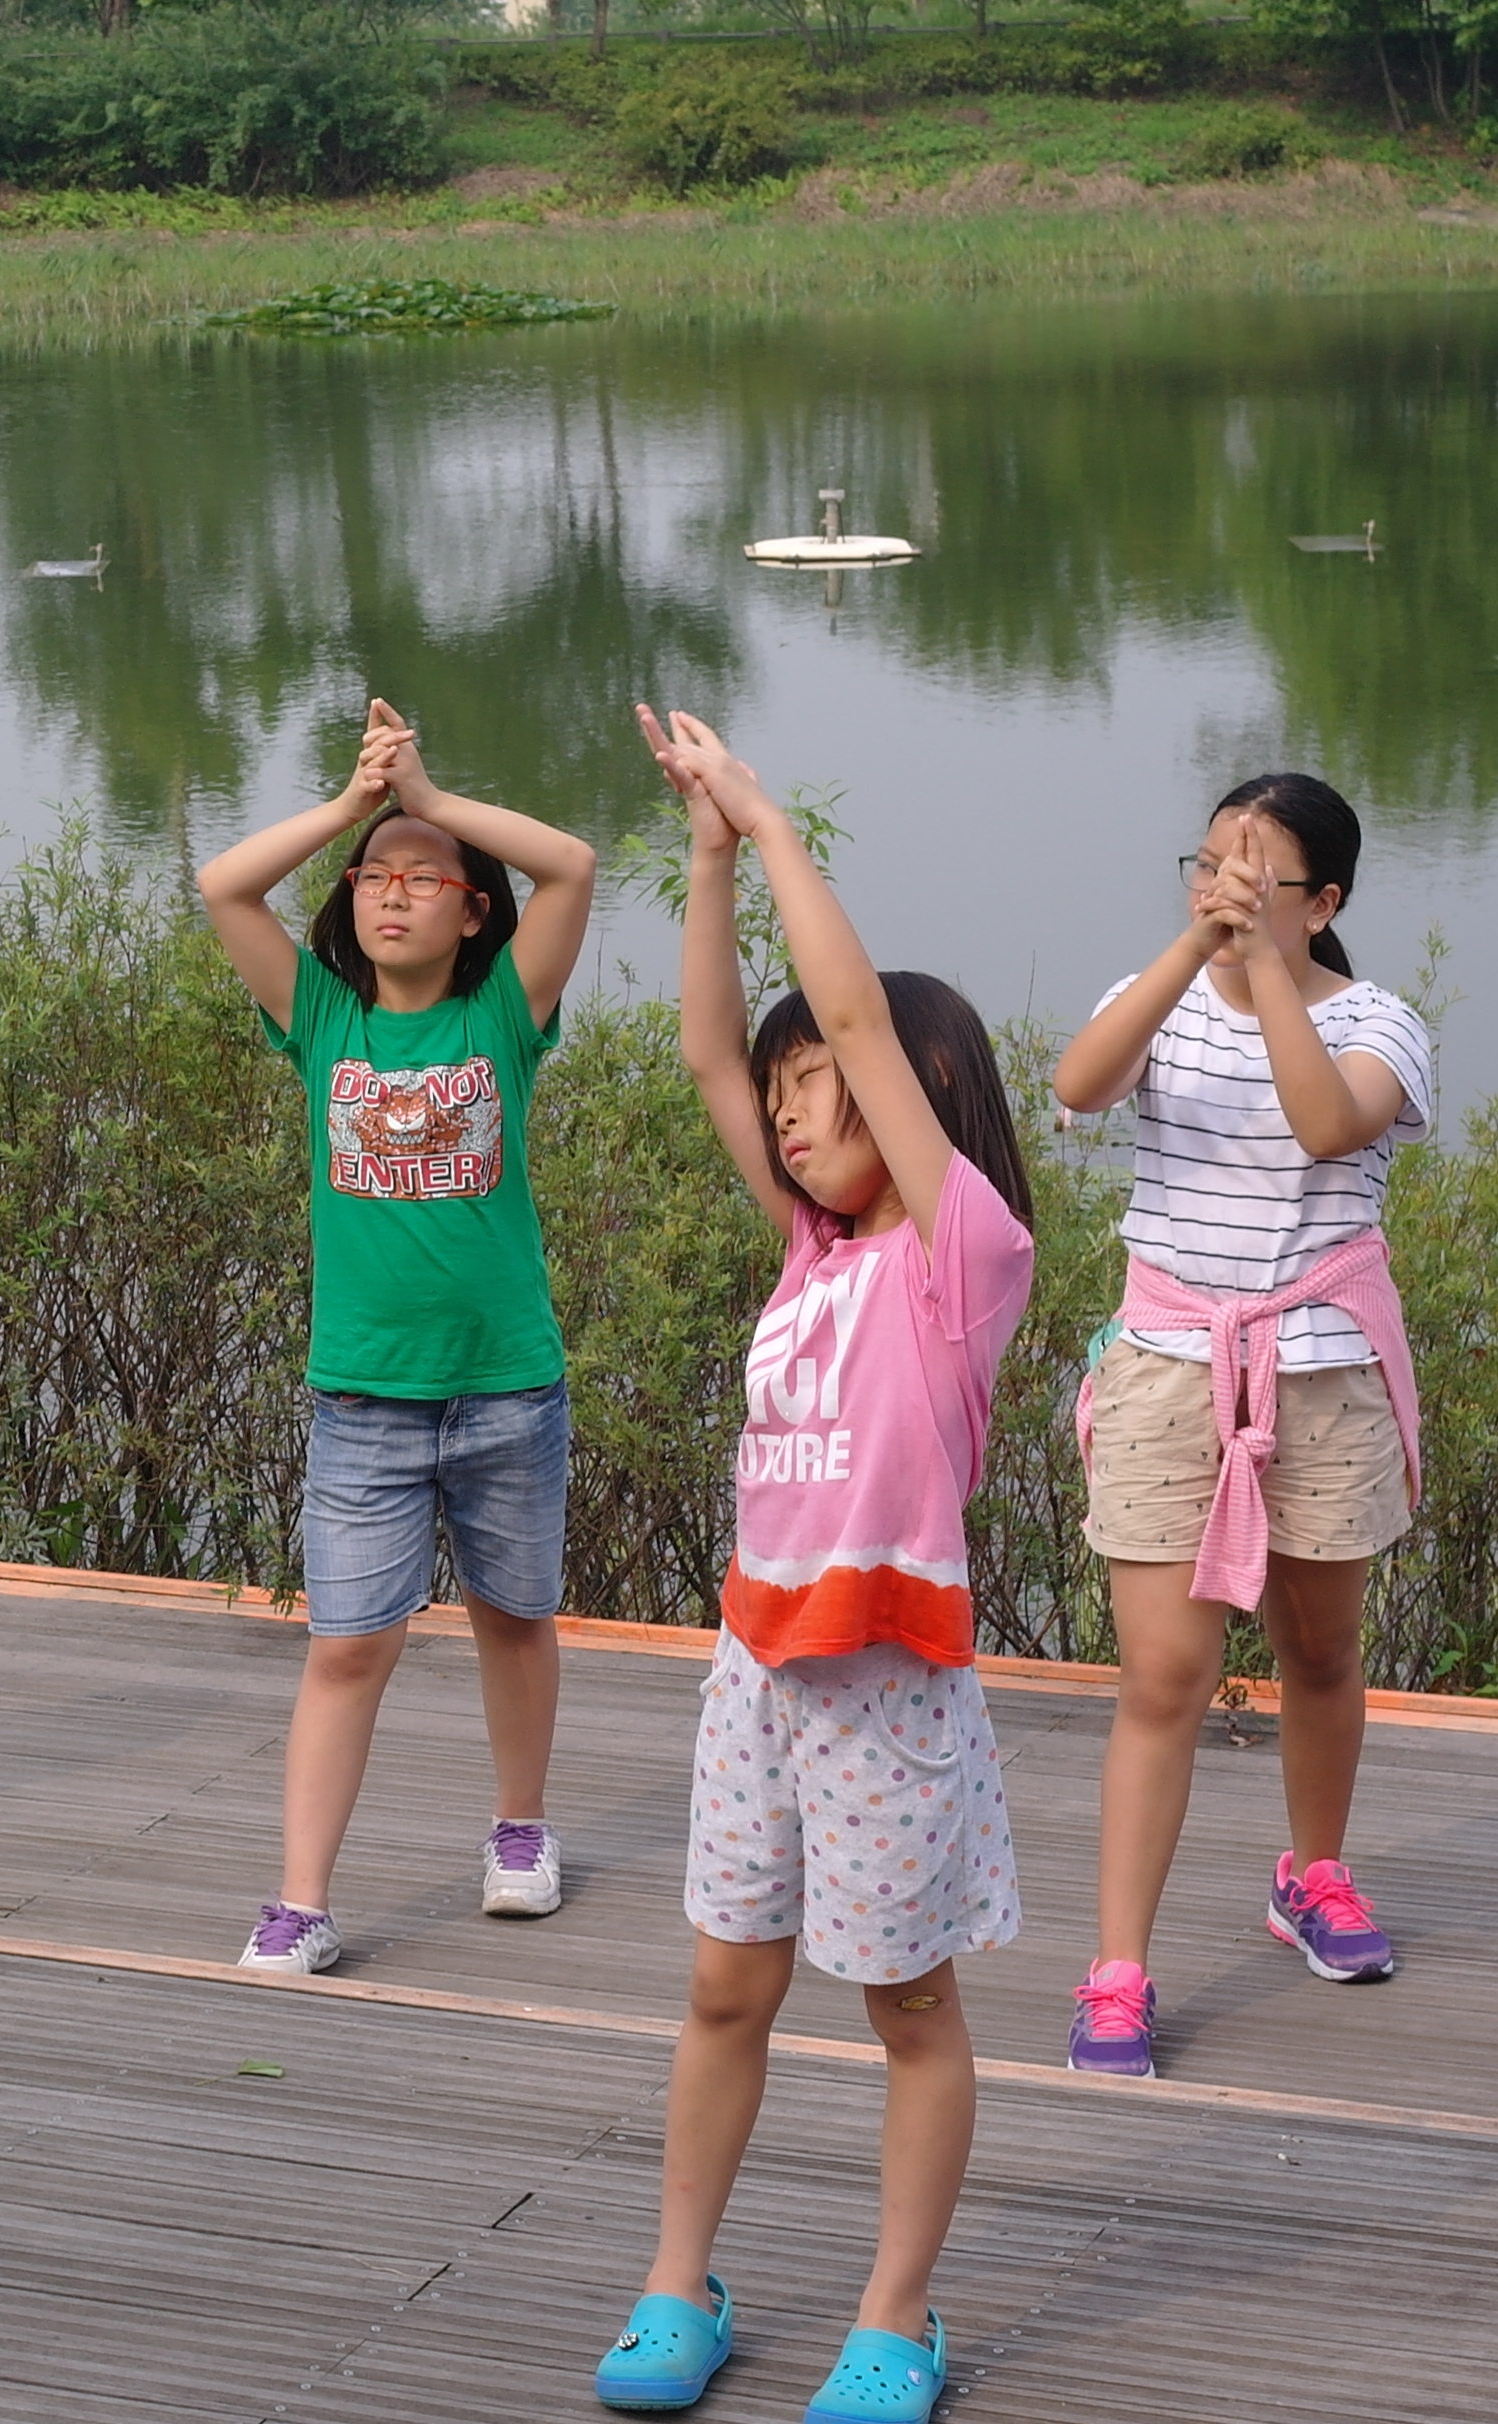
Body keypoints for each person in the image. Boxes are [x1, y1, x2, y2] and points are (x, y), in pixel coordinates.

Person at [594, 712, 1030, 2424]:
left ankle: (895, 2315)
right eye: (781, 1101)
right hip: (756, 1670)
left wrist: (770, 823)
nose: (784, 1110)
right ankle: (674, 2278)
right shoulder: (810, 1253)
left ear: (918, 1099)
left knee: (904, 2005)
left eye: (820, 1087)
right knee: (723, 1984)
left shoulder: (954, 1261)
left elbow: (846, 1006)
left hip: (888, 1684)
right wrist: (700, 858)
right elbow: (713, 1046)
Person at [200, 696, 596, 1977]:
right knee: (348, 1641)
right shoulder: (323, 1016)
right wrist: (352, 807)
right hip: (363, 1395)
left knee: (513, 1613)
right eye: (377, 879)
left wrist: (428, 784)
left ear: (473, 910)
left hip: (505, 1385)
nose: (394, 896)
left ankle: (521, 1831)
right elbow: (222, 886)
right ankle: (301, 1900)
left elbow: (574, 863)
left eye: (427, 883)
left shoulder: (502, 1018)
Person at [1044, 773, 1429, 2077]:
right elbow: (1080, 1086)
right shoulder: (1151, 998)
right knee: (1163, 1676)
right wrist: (1192, 953)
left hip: (1319, 1371)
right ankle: (1117, 1972)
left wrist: (1267, 970)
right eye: (1208, 864)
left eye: (1258, 876)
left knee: (1321, 1653)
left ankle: (1312, 1875)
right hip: (1166, 1364)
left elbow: (1328, 1126)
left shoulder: (1378, 1022)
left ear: (1322, 904)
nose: (1223, 891)